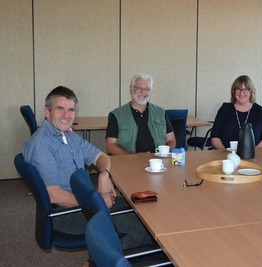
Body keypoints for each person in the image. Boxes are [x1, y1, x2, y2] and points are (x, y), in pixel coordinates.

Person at [22, 86, 153, 249]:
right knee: (146, 229)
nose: (66, 115)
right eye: (60, 109)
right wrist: (96, 203)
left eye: (71, 110)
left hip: (83, 202)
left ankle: (100, 256)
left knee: (143, 210)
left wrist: (104, 174)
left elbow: (101, 157)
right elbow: (53, 196)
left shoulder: (68, 135)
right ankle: (107, 260)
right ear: (47, 112)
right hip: (66, 214)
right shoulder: (42, 143)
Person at [106, 73, 176, 154]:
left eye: (147, 88)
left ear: (151, 91)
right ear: (131, 89)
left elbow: (171, 140)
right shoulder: (117, 115)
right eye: (139, 88)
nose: (143, 92)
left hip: (157, 162)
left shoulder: (161, 113)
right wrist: (133, 158)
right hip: (128, 163)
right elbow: (110, 146)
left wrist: (161, 153)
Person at [210, 75, 262, 150]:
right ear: (233, 91)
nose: (241, 93)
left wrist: (252, 152)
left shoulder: (261, 112)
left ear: (251, 92)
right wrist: (224, 152)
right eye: (238, 89)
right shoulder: (224, 110)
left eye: (245, 89)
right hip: (226, 157)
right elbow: (214, 137)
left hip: (254, 157)